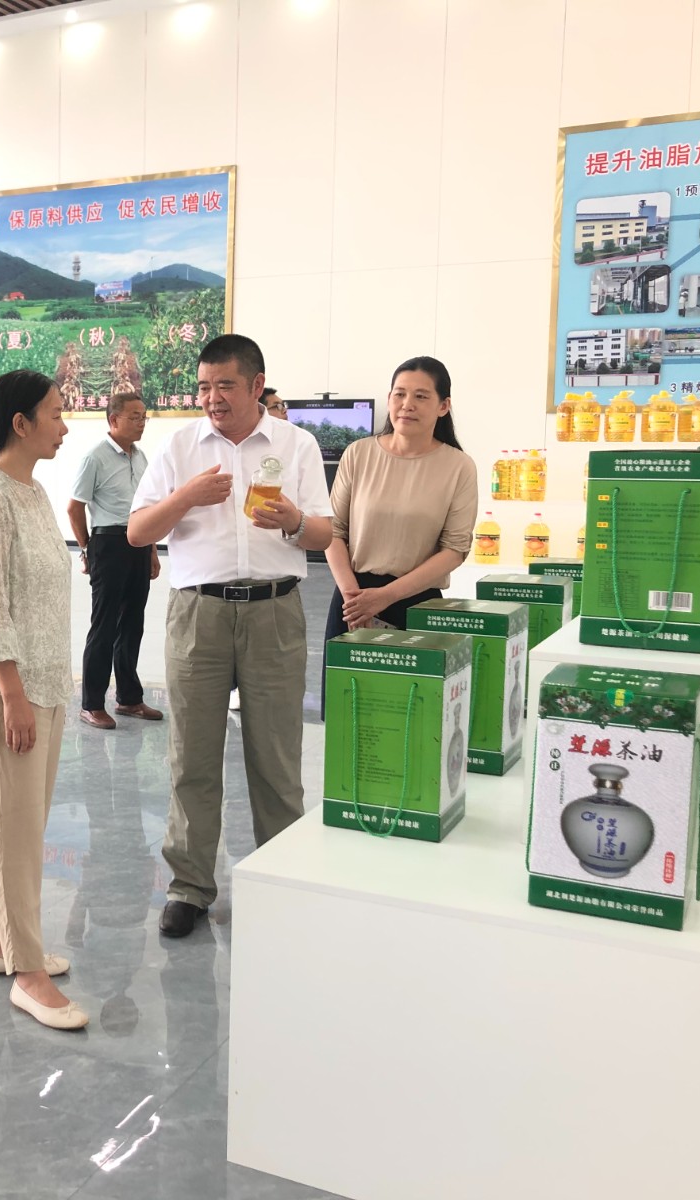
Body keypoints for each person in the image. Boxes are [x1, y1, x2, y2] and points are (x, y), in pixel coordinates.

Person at [128, 334, 332, 939]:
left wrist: (294, 520)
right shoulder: (180, 447)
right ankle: (189, 886)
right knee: (191, 756)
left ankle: (281, 880)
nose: (212, 398)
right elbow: (138, 532)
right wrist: (186, 497)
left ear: (256, 386)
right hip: (199, 614)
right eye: (204, 387)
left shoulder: (296, 444)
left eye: (225, 386)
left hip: (275, 612)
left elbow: (324, 534)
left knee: (276, 759)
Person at [0, 369, 88, 1031]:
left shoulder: (34, 492)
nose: (64, 426)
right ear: (21, 422)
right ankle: (27, 973)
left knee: (20, 827)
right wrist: (11, 693)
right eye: (56, 414)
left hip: (46, 684)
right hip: (8, 690)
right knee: (15, 836)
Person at [323, 356, 476, 697]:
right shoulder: (358, 453)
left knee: (408, 708)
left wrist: (384, 597)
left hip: (416, 604)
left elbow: (455, 550)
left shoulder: (459, 467)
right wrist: (354, 598)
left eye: (421, 396)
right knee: (347, 708)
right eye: (399, 394)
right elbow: (333, 531)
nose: (407, 404)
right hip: (352, 598)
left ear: (443, 406)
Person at [66, 392, 162, 730]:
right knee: (104, 625)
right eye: (134, 416)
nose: (141, 422)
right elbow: (74, 507)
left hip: (139, 542)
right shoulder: (95, 457)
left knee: (133, 624)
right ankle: (91, 704)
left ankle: (129, 698)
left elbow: (146, 508)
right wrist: (86, 548)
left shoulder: (141, 457)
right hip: (108, 543)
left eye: (144, 416)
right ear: (113, 419)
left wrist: (152, 550)